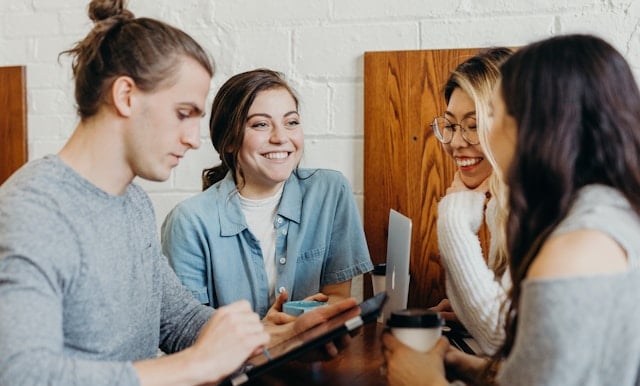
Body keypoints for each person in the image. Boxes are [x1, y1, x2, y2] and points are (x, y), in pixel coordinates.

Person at [0, 1, 356, 385]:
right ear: (126, 96)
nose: (191, 139)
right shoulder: (32, 210)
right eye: (183, 113)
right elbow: (21, 373)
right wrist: (194, 365)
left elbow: (179, 320)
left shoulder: (132, 202)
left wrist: (283, 339)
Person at [383, 33, 640, 385]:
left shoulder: (575, 248)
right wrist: (478, 369)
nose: (469, 138)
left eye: (491, 114)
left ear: (540, 126)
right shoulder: (606, 214)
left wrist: (423, 381)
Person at [161, 68, 373, 322]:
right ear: (229, 140)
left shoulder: (330, 192)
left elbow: (338, 297)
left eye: (291, 122)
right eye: (261, 124)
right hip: (236, 361)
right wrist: (267, 334)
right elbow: (187, 329)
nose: (281, 137)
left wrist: (304, 322)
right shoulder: (188, 222)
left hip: (314, 356)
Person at [431, 47, 512, 354]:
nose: (455, 142)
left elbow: (500, 338)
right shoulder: (502, 204)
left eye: (473, 125)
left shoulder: (541, 206)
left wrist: (453, 216)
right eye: (450, 126)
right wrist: (467, 314)